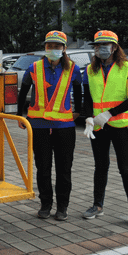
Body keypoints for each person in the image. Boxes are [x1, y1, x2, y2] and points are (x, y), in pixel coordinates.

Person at [16, 31, 82, 221]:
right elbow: (23, 92)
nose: (53, 49)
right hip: (39, 126)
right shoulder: (34, 67)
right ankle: (45, 204)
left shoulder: (73, 69)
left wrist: (77, 111)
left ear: (64, 49)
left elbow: (78, 91)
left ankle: (62, 207)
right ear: (45, 48)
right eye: (49, 46)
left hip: (65, 128)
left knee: (64, 169)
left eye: (57, 46)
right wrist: (20, 115)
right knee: (42, 168)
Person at [82, 30, 128, 228]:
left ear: (115, 47)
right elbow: (88, 99)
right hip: (99, 126)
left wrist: (109, 113)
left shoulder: (127, 68)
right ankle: (97, 205)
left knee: (125, 168)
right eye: (98, 45)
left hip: (120, 125)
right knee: (100, 167)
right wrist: (89, 118)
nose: (101, 48)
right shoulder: (90, 71)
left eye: (106, 45)